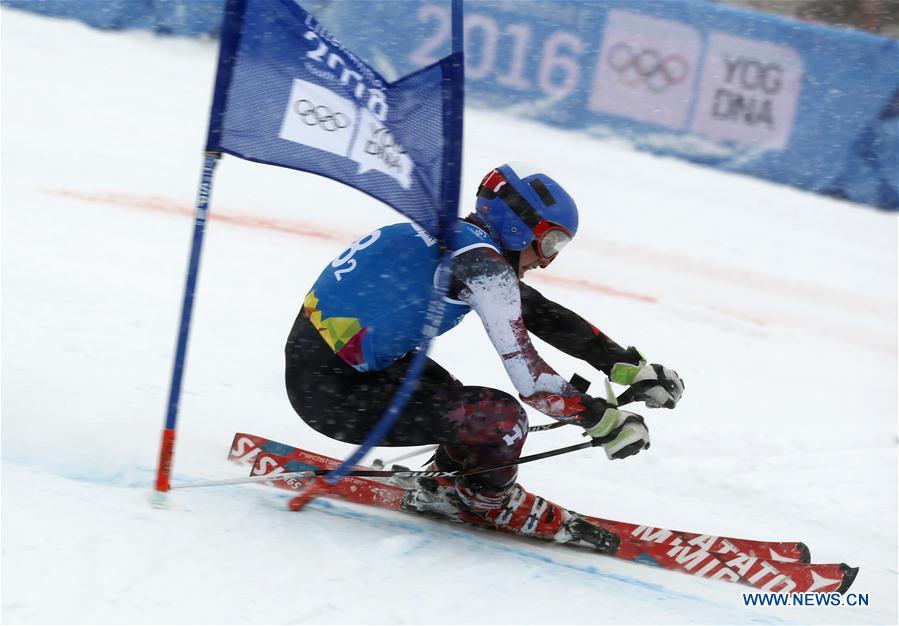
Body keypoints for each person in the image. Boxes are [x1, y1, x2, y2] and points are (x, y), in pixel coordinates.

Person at [285, 162, 684, 541]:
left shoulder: (454, 237)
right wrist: (600, 420)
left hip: (330, 375)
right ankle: (485, 503)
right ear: (518, 227)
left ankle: (448, 482)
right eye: (550, 242)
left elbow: (539, 312)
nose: (547, 261)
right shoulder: (482, 265)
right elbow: (531, 382)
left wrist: (628, 367)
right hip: (335, 397)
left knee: (462, 406)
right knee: (501, 419)